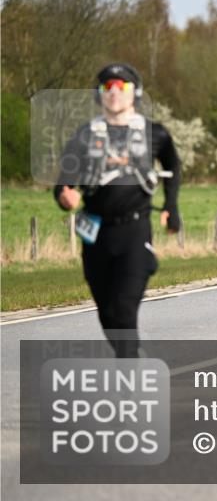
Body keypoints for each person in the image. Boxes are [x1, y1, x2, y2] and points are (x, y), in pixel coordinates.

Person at [54, 63, 181, 358]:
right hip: (95, 232)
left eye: (120, 87)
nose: (113, 94)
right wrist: (65, 194)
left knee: (123, 308)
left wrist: (171, 207)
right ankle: (131, 355)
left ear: (133, 93)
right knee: (108, 314)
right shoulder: (86, 135)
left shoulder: (154, 133)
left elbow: (173, 166)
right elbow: (65, 178)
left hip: (134, 231)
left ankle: (129, 371)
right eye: (106, 88)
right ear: (99, 96)